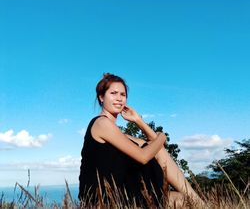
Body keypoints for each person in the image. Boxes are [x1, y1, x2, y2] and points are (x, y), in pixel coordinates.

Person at [79, 73, 202, 207]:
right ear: (101, 97)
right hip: (104, 202)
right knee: (183, 200)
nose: (119, 98)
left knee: (183, 199)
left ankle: (200, 203)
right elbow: (143, 156)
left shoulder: (117, 133)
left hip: (119, 198)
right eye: (113, 93)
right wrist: (162, 135)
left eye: (123, 95)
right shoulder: (101, 123)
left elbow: (158, 148)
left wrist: (138, 121)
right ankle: (201, 204)